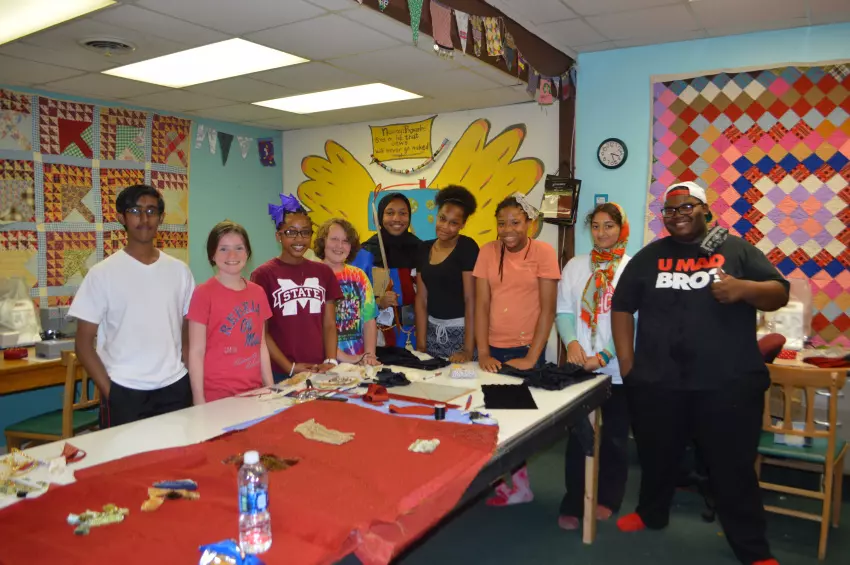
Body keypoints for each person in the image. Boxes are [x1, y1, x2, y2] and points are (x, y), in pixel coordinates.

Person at [611, 181, 789, 565]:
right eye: (670, 210)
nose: (678, 215)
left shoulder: (736, 249)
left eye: (686, 206)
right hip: (659, 384)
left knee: (733, 470)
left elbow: (779, 291)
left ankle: (753, 549)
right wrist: (628, 365)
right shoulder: (649, 257)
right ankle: (651, 513)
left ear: (706, 209)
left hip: (727, 386)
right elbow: (622, 306)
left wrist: (743, 289)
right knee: (657, 457)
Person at [70, 184, 195, 427]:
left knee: (178, 451)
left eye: (151, 211)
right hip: (124, 391)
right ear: (121, 218)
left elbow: (187, 335)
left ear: (161, 218)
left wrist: (189, 379)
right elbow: (83, 344)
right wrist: (111, 392)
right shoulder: (102, 274)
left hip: (175, 389)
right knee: (125, 453)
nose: (144, 219)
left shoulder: (180, 271)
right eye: (136, 211)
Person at [473, 193, 561, 506]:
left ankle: (522, 488)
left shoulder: (544, 252)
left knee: (515, 423)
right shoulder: (487, 251)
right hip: (492, 350)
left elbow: (548, 310)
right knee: (488, 419)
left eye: (515, 222)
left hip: (525, 349)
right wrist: (483, 352)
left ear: (530, 224)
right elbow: (482, 305)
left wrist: (532, 357)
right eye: (502, 223)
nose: (508, 229)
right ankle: (498, 481)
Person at [556, 202, 632, 530]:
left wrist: (603, 356)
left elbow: (633, 319)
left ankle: (609, 498)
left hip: (615, 368)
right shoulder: (575, 266)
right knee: (579, 437)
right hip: (578, 365)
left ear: (621, 228)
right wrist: (572, 344)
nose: (602, 233)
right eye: (596, 226)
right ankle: (574, 500)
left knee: (614, 437)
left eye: (609, 226)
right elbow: (563, 311)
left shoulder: (631, 268)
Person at [250, 194, 342, 382]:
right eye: (291, 232)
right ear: (278, 236)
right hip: (280, 372)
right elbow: (261, 332)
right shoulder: (263, 275)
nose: (299, 239)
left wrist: (331, 360)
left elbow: (329, 323)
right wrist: (289, 367)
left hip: (319, 369)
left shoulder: (324, 272)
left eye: (305, 232)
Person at [187, 221, 273, 404]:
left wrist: (271, 388)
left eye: (239, 248)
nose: (232, 255)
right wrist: (198, 399)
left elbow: (261, 345)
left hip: (255, 393)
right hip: (217, 397)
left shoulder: (258, 292)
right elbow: (196, 352)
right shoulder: (203, 293)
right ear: (212, 254)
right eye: (223, 249)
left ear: (247, 252)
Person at [415, 185, 479, 361]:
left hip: (462, 335)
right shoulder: (424, 248)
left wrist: (467, 349)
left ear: (463, 224)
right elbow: (421, 299)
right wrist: (421, 345)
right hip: (431, 335)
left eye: (454, 223)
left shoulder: (467, 247)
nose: (445, 226)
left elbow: (471, 299)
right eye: (442, 219)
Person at [353, 192, 421, 349]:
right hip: (379, 337)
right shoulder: (365, 253)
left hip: (416, 333)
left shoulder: (421, 249)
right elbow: (353, 301)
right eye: (390, 213)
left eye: (403, 213)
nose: (397, 218)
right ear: (380, 217)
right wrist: (378, 303)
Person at [313, 218, 379, 365]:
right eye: (334, 239)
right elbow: (313, 330)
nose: (339, 246)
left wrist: (369, 356)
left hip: (358, 361)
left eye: (345, 241)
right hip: (324, 362)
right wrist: (347, 358)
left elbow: (369, 320)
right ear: (323, 241)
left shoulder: (359, 276)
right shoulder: (312, 277)